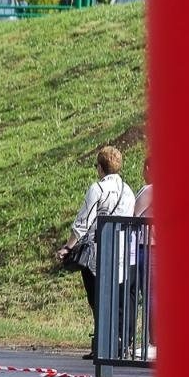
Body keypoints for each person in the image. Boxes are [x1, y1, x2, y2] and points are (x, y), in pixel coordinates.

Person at [55, 144, 136, 359]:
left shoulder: (98, 189)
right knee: (116, 298)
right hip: (120, 251)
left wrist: (68, 247)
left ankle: (101, 343)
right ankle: (119, 344)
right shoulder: (128, 191)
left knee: (96, 298)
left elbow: (83, 222)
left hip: (97, 254)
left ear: (100, 167)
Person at [132, 157, 155, 360]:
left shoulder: (149, 190)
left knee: (149, 295)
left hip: (147, 247)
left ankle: (153, 341)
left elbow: (132, 216)